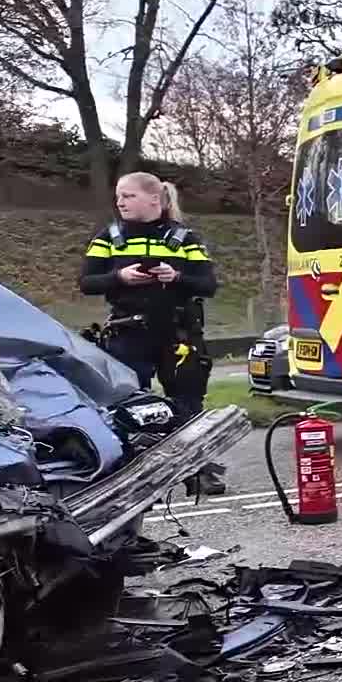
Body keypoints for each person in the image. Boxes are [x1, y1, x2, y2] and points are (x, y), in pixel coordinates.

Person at [79, 172, 224, 493]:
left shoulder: (185, 238)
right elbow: (87, 282)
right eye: (118, 196)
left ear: (154, 199)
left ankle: (197, 471)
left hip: (178, 334)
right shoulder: (109, 237)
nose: (120, 202)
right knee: (130, 404)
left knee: (187, 402)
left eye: (128, 196)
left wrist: (176, 276)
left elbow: (208, 284)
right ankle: (136, 480)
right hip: (128, 333)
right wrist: (120, 277)